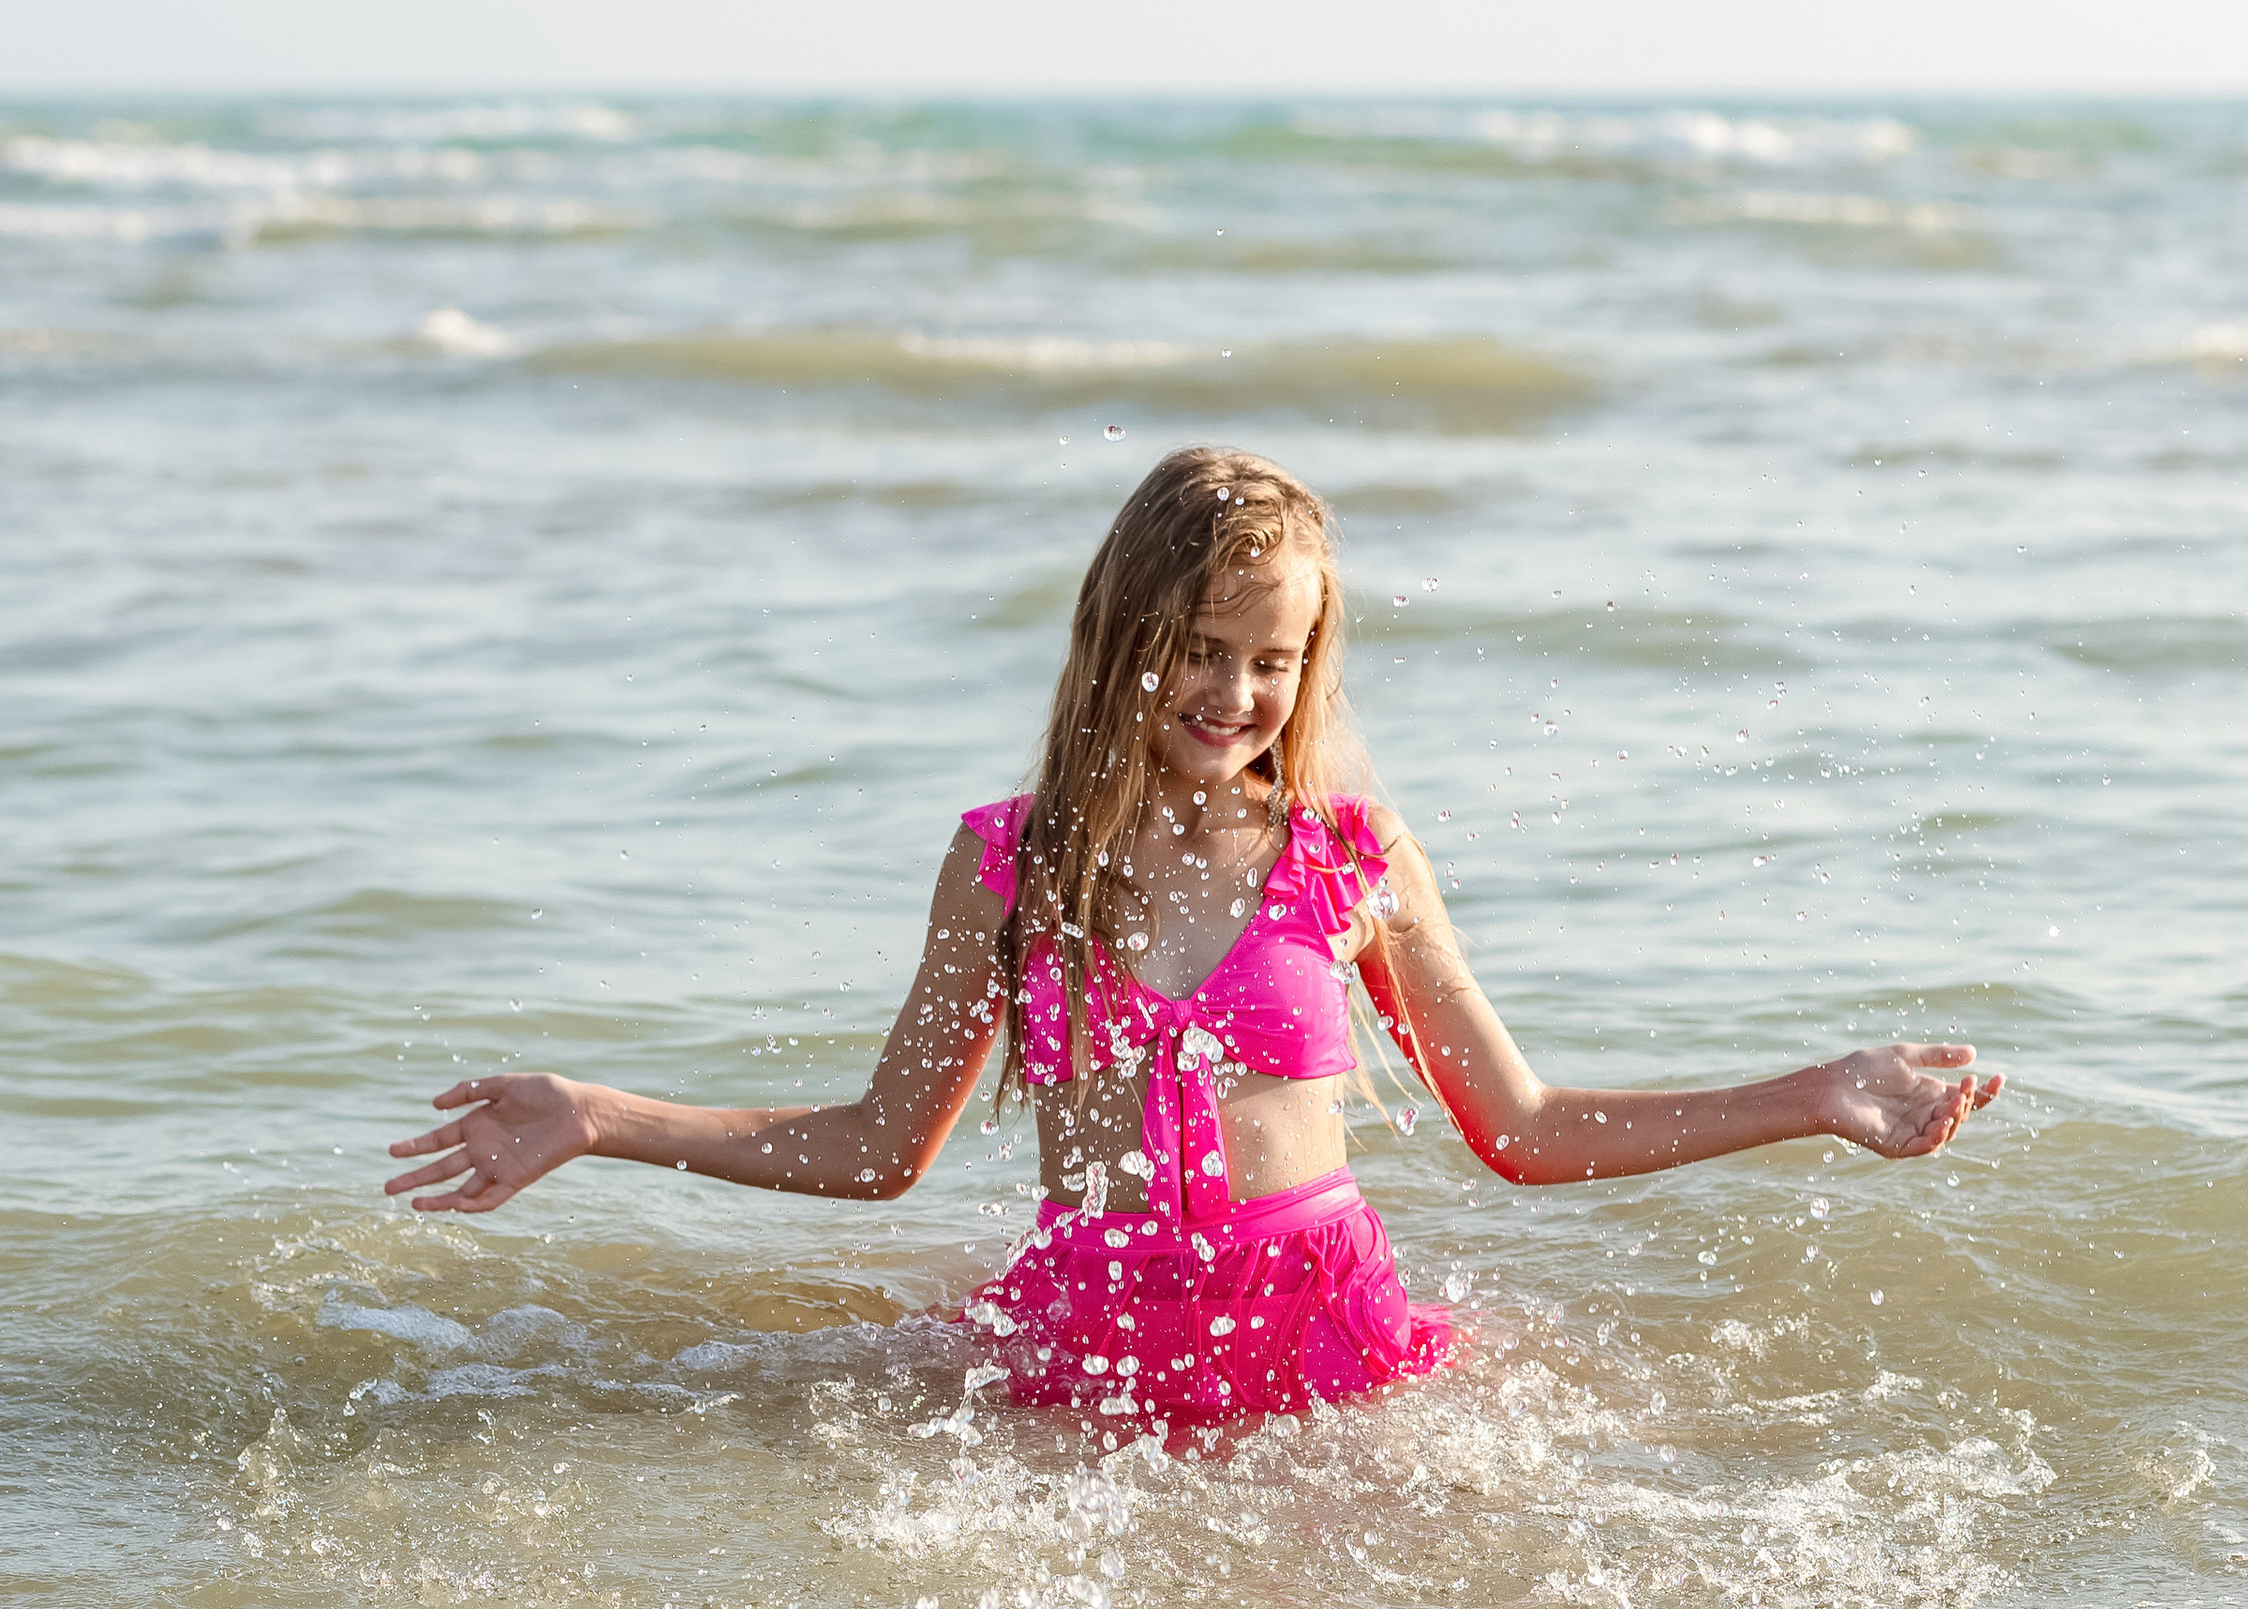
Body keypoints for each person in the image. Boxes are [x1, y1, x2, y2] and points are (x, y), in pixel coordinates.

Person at [386, 446, 2000, 1429]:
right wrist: (604, 1118)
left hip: (1327, 1340)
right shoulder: (1007, 867)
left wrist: (1817, 1093)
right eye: (1200, 652)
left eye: (1274, 661)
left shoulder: (1354, 859)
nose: (1236, 695)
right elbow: (881, 1145)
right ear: (1124, 637)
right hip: (1083, 1342)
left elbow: (1522, 1129)